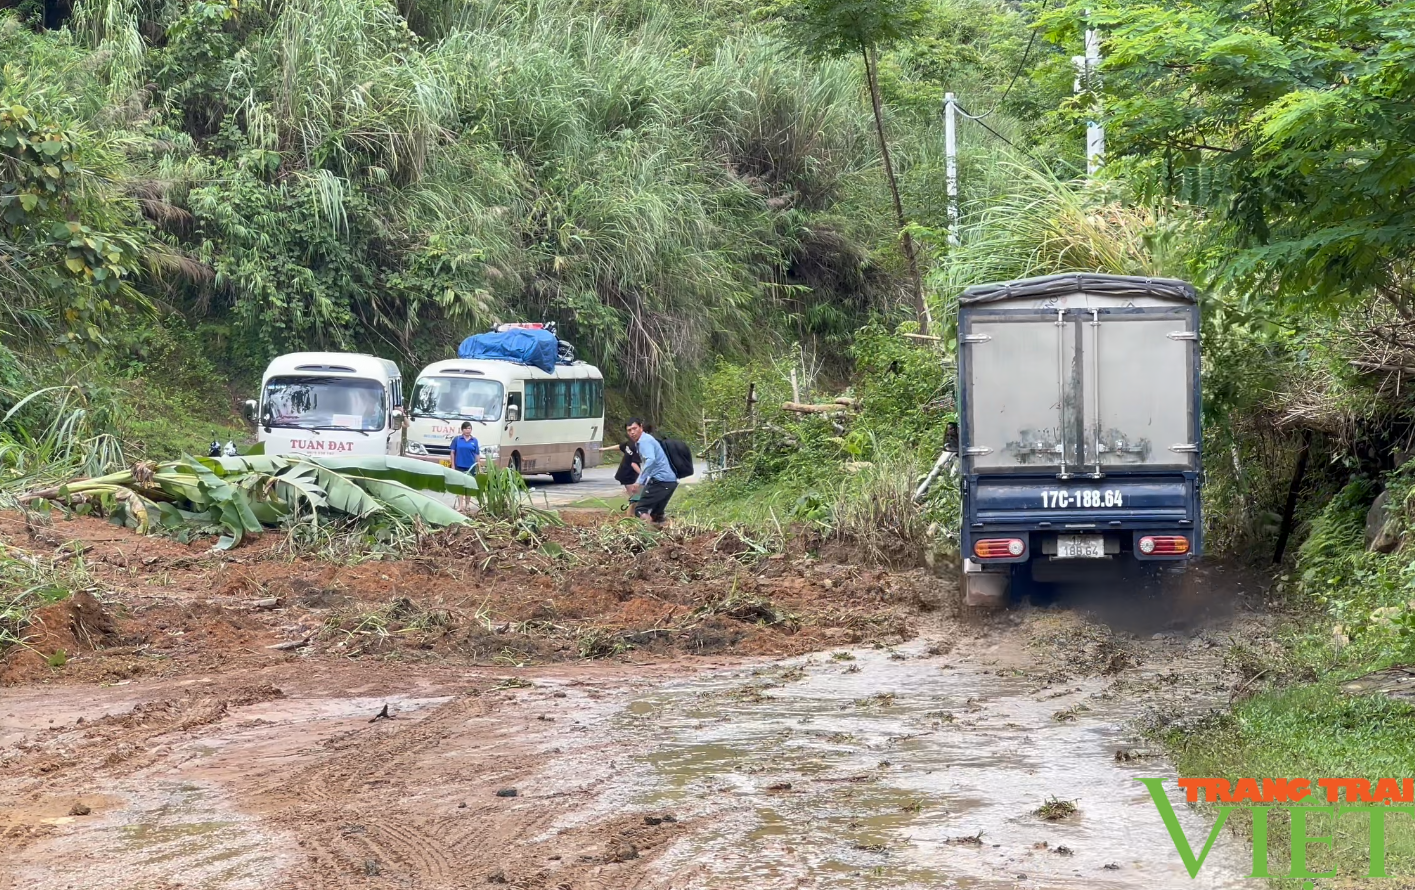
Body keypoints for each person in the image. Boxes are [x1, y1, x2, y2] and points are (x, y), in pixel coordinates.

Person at [625, 418, 677, 525]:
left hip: (661, 481)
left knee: (640, 510)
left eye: (634, 428)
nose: (632, 432)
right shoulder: (646, 440)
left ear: (641, 427)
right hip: (669, 482)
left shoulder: (644, 441)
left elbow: (651, 460)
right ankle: (667, 538)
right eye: (629, 430)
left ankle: (648, 535)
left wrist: (639, 481)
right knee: (657, 515)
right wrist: (642, 484)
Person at [450, 421, 481, 512]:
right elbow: (452, 452)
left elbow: (477, 454)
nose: (468, 430)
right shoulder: (457, 439)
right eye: (466, 429)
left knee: (469, 486)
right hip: (459, 465)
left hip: (471, 467)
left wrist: (478, 465)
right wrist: (453, 465)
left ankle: (467, 505)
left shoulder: (474, 440)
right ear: (462, 430)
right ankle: (460, 505)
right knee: (460, 486)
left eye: (469, 428)